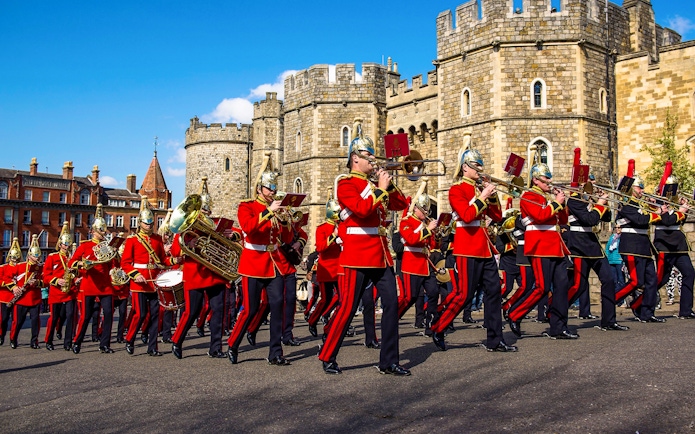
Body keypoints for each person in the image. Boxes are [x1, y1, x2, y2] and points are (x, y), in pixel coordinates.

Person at [318, 121, 410, 375]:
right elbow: (361, 209)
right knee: (347, 308)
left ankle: (389, 360)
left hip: (380, 256)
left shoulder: (375, 185)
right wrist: (379, 187)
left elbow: (400, 205)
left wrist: (388, 185)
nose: (373, 159)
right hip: (357, 255)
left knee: (392, 304)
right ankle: (328, 354)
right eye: (369, 155)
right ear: (355, 158)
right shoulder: (346, 183)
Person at [430, 139, 515, 352]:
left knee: (494, 291)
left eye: (480, 166)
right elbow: (467, 216)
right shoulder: (456, 189)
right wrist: (483, 196)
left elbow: (496, 216)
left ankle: (495, 340)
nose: (480, 170)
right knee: (464, 294)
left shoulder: (480, 189)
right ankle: (438, 327)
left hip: (484, 247)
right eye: (476, 166)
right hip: (467, 247)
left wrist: (493, 197)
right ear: (465, 167)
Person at [226, 155, 295, 366]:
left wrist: (286, 220)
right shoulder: (247, 206)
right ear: (260, 189)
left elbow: (287, 238)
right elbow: (248, 228)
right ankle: (233, 343)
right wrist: (268, 212)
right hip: (254, 263)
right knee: (250, 309)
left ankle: (275, 352)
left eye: (274, 188)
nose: (273, 192)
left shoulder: (276, 208)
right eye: (269, 188)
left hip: (274, 263)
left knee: (277, 305)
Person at [507, 159, 575, 339]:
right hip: (539, 246)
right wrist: (555, 203)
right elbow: (540, 217)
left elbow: (564, 220)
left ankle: (558, 327)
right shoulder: (528, 196)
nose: (549, 182)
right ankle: (514, 314)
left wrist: (562, 202)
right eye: (546, 178)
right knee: (542, 287)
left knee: (561, 288)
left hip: (555, 246)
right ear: (535, 179)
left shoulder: (548, 198)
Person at [171, 177, 229, 359]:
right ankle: (177, 340)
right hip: (194, 274)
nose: (205, 213)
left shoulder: (215, 224)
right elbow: (174, 251)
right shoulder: (185, 229)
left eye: (207, 210)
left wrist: (227, 236)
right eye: (203, 210)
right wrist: (190, 242)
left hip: (215, 274)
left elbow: (230, 244)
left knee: (218, 311)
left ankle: (215, 347)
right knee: (192, 311)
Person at [564, 180, 628, 331]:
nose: (592, 186)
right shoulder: (574, 200)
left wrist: (602, 202)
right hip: (579, 246)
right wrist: (599, 203)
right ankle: (556, 310)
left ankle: (609, 320)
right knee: (578, 286)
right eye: (588, 183)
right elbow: (590, 219)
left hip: (593, 245)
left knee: (608, 280)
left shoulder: (588, 200)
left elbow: (606, 218)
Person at [121, 197, 172, 356]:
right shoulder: (133, 240)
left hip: (154, 281)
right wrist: (135, 275)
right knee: (140, 313)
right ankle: (130, 339)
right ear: (140, 223)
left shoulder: (157, 239)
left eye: (151, 223)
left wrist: (175, 259)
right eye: (146, 223)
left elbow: (162, 260)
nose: (149, 226)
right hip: (139, 282)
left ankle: (153, 347)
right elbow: (126, 263)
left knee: (155, 315)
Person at [614, 173, 666, 322]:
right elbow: (639, 220)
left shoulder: (640, 204)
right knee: (635, 281)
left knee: (652, 281)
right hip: (631, 246)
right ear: (631, 188)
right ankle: (611, 299)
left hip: (643, 247)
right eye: (639, 188)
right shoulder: (626, 203)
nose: (642, 191)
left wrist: (654, 206)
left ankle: (646, 312)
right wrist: (656, 213)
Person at [69, 203, 118, 354]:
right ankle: (77, 341)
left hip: (105, 284)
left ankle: (104, 344)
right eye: (99, 231)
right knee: (86, 315)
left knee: (109, 314)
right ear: (92, 231)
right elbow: (72, 263)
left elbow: (113, 265)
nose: (102, 233)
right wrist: (83, 264)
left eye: (103, 230)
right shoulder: (85, 246)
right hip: (90, 282)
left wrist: (116, 253)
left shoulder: (108, 246)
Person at [397, 181, 439, 330]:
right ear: (415, 208)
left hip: (425, 263)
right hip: (412, 264)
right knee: (411, 297)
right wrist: (427, 229)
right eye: (423, 210)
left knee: (434, 292)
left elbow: (432, 245)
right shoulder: (406, 222)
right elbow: (412, 240)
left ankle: (430, 323)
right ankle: (393, 317)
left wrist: (435, 234)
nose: (426, 214)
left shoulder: (424, 223)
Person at [651, 178, 694, 319]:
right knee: (661, 279)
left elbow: (679, 220)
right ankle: (641, 304)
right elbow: (668, 221)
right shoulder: (655, 204)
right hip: (664, 246)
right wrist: (681, 211)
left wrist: (684, 208)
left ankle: (686, 311)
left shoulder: (674, 204)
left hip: (678, 246)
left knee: (689, 273)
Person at [308, 199, 342, 339]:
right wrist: (333, 236)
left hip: (340, 267)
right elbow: (320, 247)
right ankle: (312, 321)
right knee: (325, 299)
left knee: (342, 298)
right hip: (327, 268)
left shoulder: (342, 225)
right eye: (335, 212)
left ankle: (329, 321)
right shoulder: (321, 228)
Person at [43, 222, 79, 351]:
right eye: (64, 244)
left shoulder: (72, 258)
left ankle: (68, 342)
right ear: (60, 244)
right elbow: (45, 275)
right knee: (54, 318)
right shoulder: (52, 257)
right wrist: (56, 280)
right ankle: (49, 340)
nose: (66, 246)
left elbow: (75, 272)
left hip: (70, 292)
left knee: (70, 316)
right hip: (56, 291)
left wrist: (76, 278)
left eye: (68, 244)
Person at [7, 234, 44, 349]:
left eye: (38, 256)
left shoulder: (41, 268)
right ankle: (13, 338)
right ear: (29, 256)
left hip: (35, 298)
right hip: (21, 299)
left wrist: (37, 283)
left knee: (35, 322)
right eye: (34, 256)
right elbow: (8, 277)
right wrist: (14, 287)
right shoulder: (20, 266)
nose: (37, 259)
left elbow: (46, 282)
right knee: (17, 322)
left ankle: (34, 341)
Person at [0, 238, 21, 346]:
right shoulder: (3, 268)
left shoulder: (21, 268)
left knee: (16, 321)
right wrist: (11, 284)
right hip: (5, 297)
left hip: (17, 298)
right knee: (3, 319)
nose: (15, 260)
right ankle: (1, 335)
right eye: (13, 258)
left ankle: (13, 339)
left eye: (16, 258)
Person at [605, 226, 626, 303]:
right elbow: (607, 248)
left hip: (619, 261)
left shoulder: (623, 237)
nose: (617, 229)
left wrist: (623, 259)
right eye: (616, 227)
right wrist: (607, 257)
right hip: (611, 261)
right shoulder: (612, 237)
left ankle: (622, 299)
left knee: (621, 280)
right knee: (614, 280)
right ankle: (616, 297)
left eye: (619, 227)